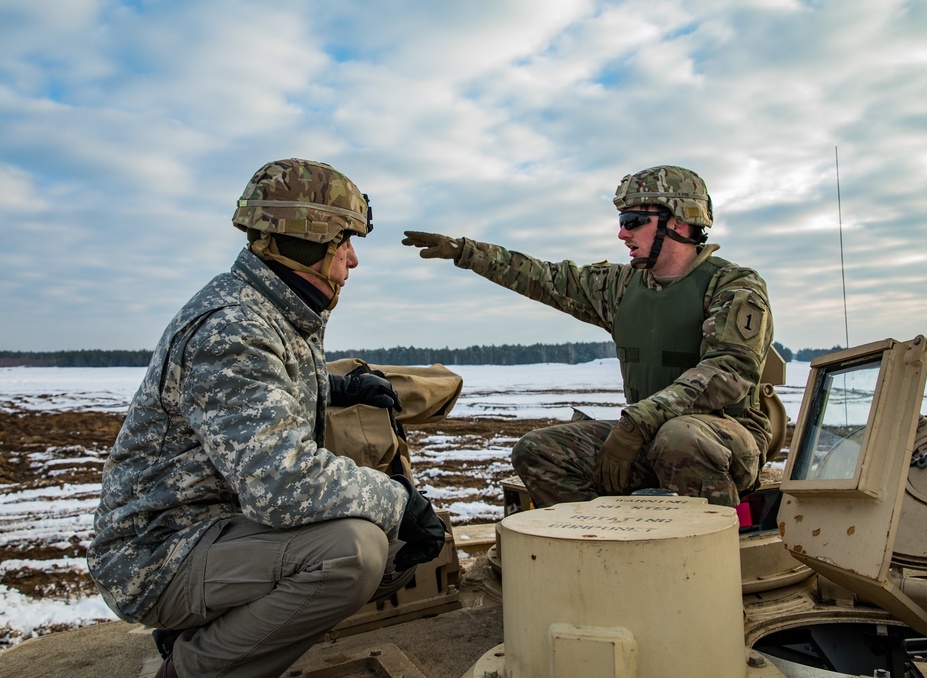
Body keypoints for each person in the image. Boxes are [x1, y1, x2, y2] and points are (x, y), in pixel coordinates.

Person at [88, 158, 446, 678]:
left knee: (372, 532)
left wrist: (337, 386)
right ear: (309, 239)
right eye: (345, 241)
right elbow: (282, 483)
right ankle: (191, 669)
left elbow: (265, 392)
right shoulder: (233, 328)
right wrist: (401, 503)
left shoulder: (270, 309)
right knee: (355, 550)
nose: (353, 259)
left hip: (207, 527)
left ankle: (207, 629)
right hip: (157, 556)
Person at [402, 165, 773, 508]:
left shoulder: (732, 285)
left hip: (725, 439)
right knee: (538, 450)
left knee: (679, 438)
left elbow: (729, 369)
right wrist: (467, 252)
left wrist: (638, 423)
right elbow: (544, 277)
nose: (621, 233)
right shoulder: (621, 287)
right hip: (646, 434)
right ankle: (598, 547)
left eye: (633, 220)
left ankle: (713, 560)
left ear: (678, 221)